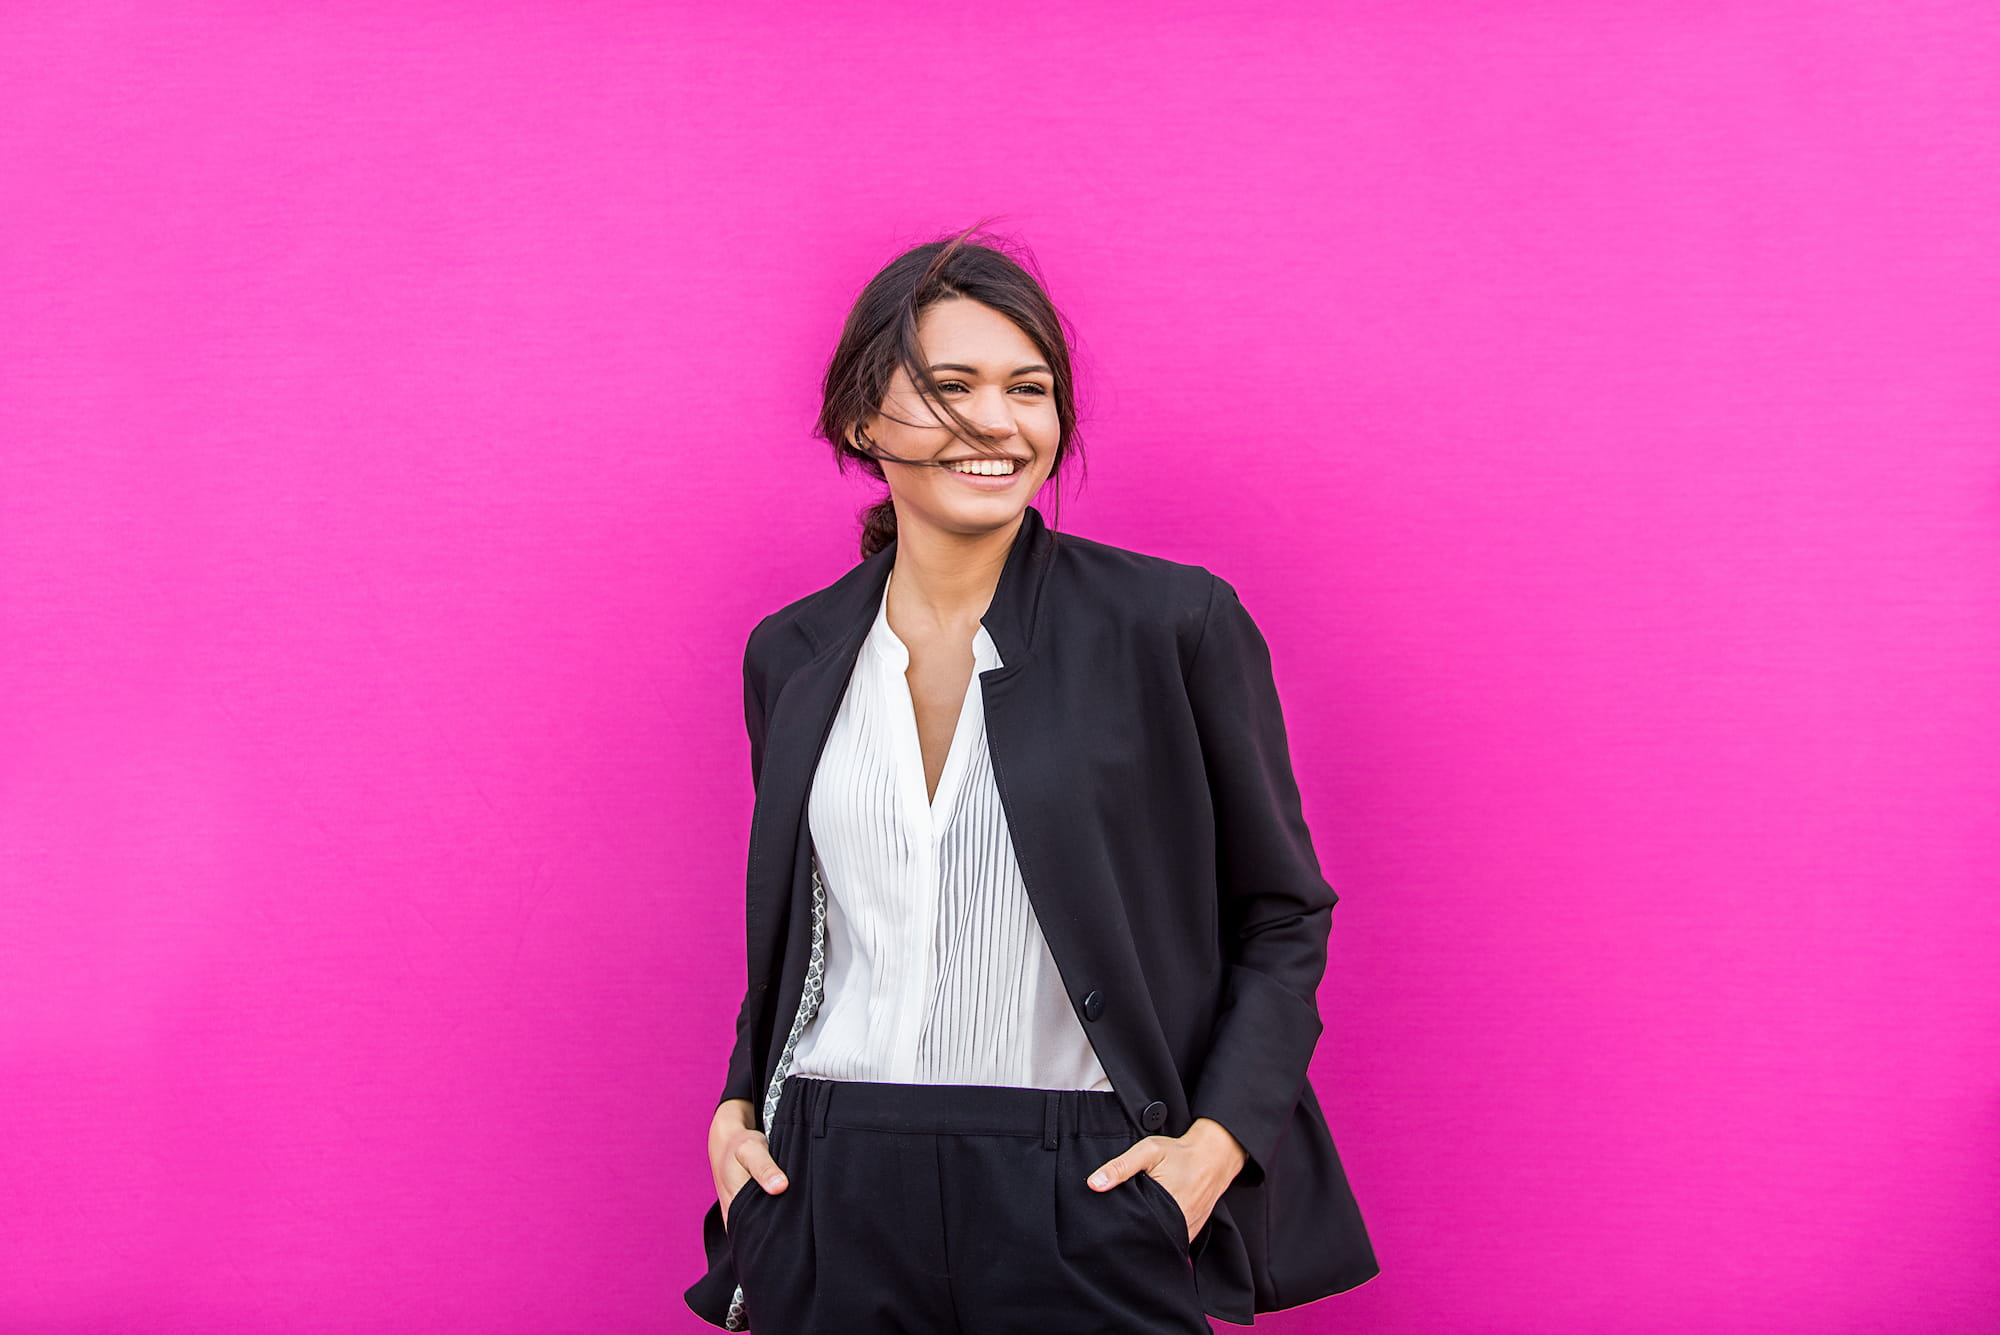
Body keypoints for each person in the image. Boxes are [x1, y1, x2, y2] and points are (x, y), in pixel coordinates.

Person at [683, 227, 1377, 1333]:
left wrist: (1211, 1150)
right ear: (860, 421)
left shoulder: (1170, 625)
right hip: (824, 1173)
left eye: (1030, 388)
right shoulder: (794, 655)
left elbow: (1283, 912)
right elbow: (810, 927)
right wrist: (735, 1111)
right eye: (949, 386)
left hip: (1085, 1181)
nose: (998, 423)